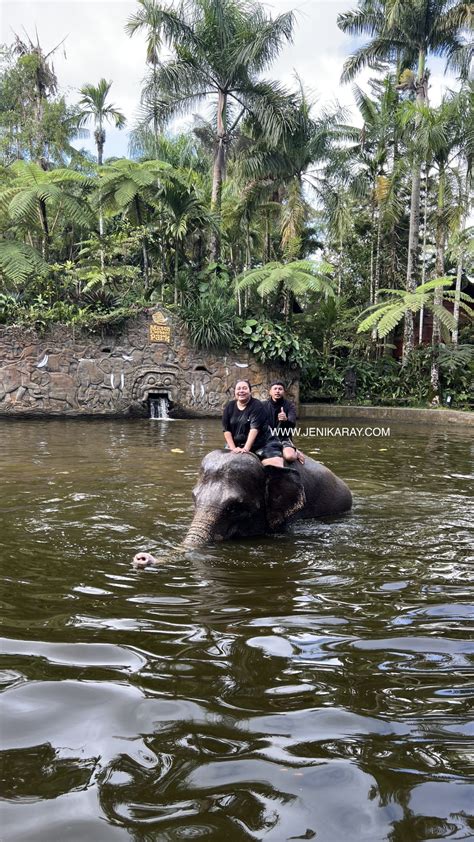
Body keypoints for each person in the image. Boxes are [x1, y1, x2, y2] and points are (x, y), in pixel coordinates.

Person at [222, 380, 284, 467]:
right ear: (235, 392)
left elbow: (254, 429)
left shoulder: (257, 405)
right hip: (237, 443)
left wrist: (246, 449)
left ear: (250, 392)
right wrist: (233, 449)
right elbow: (226, 430)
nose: (241, 391)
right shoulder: (229, 406)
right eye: (238, 389)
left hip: (262, 443)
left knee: (275, 465)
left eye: (244, 388)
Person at [262, 381, 305, 464]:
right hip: (267, 438)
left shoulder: (289, 405)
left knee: (290, 456)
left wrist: (285, 420)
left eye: (280, 389)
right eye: (275, 389)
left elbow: (292, 424)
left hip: (283, 437)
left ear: (284, 392)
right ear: (270, 392)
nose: (277, 391)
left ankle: (295, 452)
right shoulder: (262, 405)